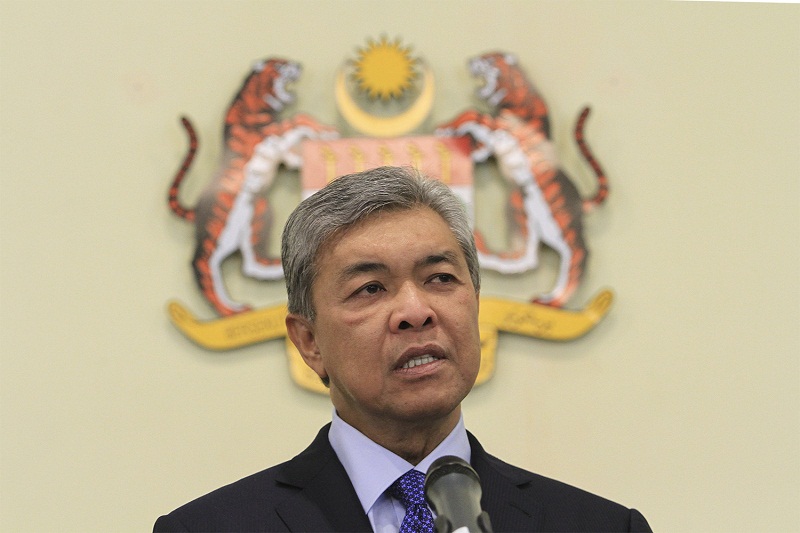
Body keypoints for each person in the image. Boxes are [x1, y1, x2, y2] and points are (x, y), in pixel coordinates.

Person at [154, 166, 651, 532]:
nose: (415, 311)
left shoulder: (601, 527)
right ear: (309, 342)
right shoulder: (209, 529)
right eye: (371, 288)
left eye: (440, 278)